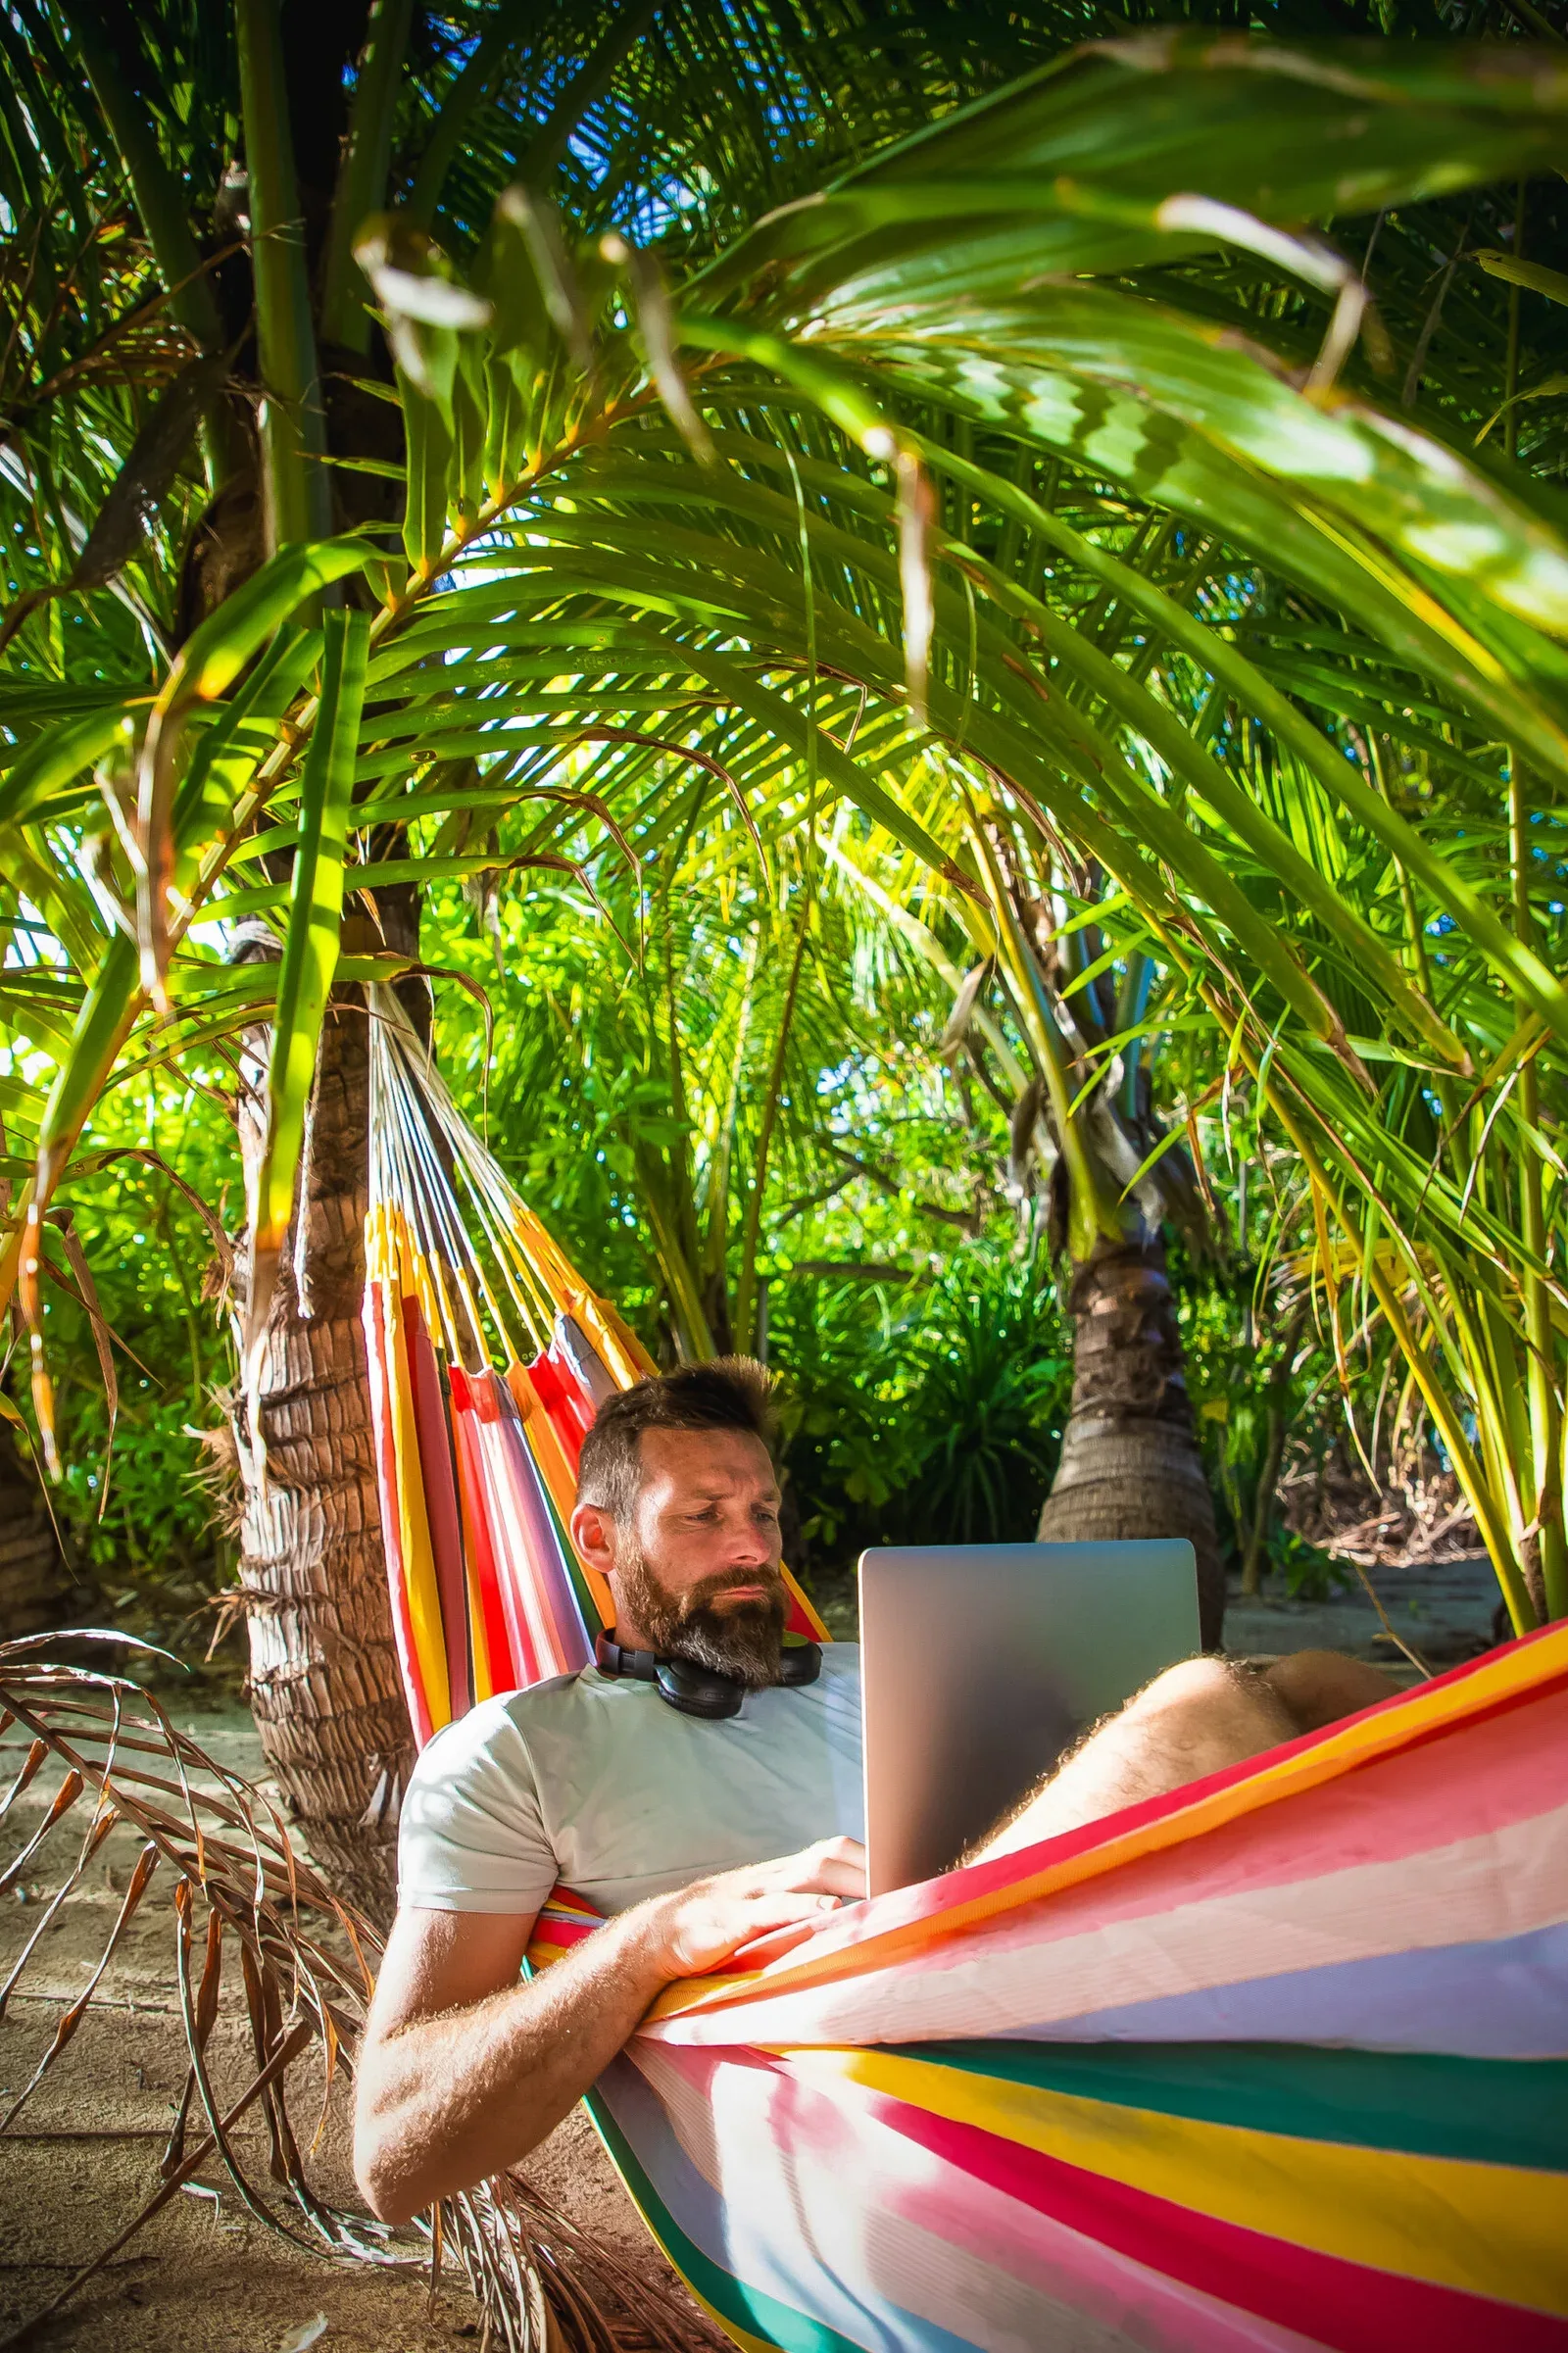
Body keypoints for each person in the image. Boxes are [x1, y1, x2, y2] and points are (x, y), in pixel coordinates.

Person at [353, 1357, 1396, 2225]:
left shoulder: (880, 1662)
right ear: (596, 1538)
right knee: (1207, 1698)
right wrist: (657, 1935)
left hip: (1043, 1944)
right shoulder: (513, 1746)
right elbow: (392, 2149)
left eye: (762, 1509)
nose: (753, 1545)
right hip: (876, 2041)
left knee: (1319, 1685)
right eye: (703, 1515)